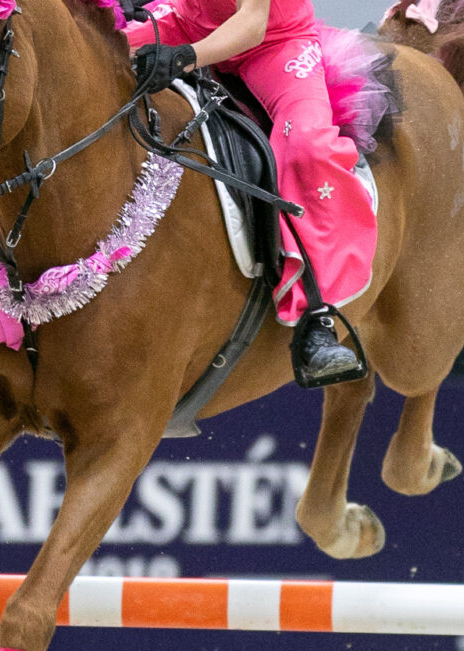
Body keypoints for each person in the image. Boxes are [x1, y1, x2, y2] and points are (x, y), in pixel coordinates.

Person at [125, 0, 378, 387]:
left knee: (307, 147)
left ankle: (317, 318)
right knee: (81, 50)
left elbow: (252, 24)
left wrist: (184, 59)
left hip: (274, 43)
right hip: (185, 23)